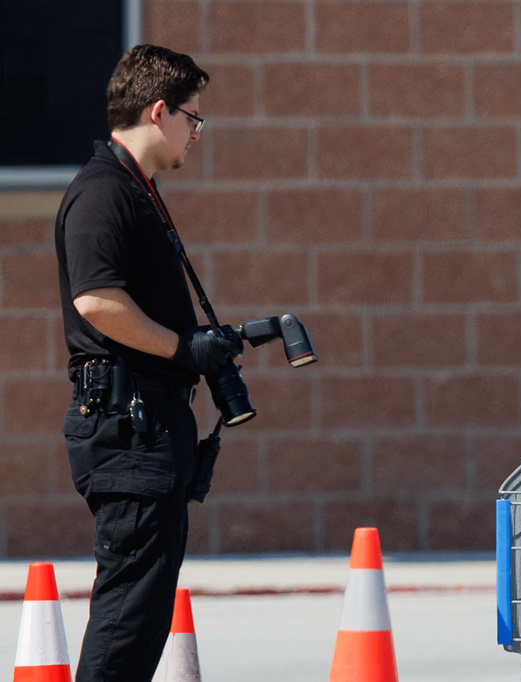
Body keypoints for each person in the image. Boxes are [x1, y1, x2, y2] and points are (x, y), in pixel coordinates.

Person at [54, 44, 242, 681]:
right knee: (128, 615)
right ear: (158, 111)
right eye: (193, 117)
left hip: (149, 428)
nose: (196, 131)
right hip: (128, 429)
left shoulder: (138, 191)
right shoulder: (104, 191)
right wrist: (183, 347)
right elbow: (96, 300)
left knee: (143, 610)